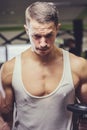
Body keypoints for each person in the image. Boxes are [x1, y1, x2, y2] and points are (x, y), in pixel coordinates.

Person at [0, 1, 87, 130]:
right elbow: (4, 120)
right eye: (36, 36)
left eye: (48, 35)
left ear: (57, 28)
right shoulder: (10, 70)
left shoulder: (78, 66)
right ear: (27, 30)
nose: (43, 43)